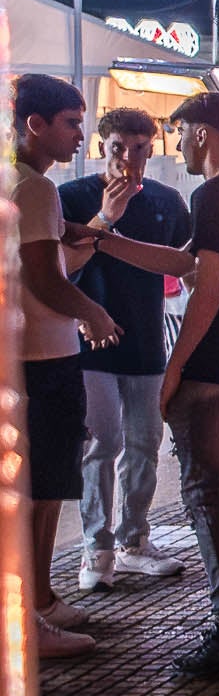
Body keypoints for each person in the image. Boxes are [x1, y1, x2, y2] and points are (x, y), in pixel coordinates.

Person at [74, 91, 219, 677]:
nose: (178, 143)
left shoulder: (212, 194)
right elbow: (186, 262)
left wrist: (175, 371)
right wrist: (104, 239)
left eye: (181, 130)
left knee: (207, 494)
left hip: (216, 369)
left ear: (203, 133)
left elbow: (208, 285)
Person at [61, 106, 191, 596]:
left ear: (152, 150)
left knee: (143, 444)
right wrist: (104, 219)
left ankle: (134, 540)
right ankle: (97, 547)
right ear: (102, 148)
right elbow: (57, 266)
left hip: (145, 340)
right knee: (101, 444)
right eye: (119, 149)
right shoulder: (71, 197)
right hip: (87, 344)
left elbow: (187, 259)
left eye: (139, 149)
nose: (129, 160)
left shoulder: (165, 200)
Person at [12, 75, 121, 657]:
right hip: (44, 357)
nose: (80, 135)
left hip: (23, 354)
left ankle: (42, 600)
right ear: (36, 124)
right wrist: (92, 312)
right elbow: (43, 277)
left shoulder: (19, 182)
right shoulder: (34, 189)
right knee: (44, 491)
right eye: (72, 123)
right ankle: (30, 620)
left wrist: (77, 231)